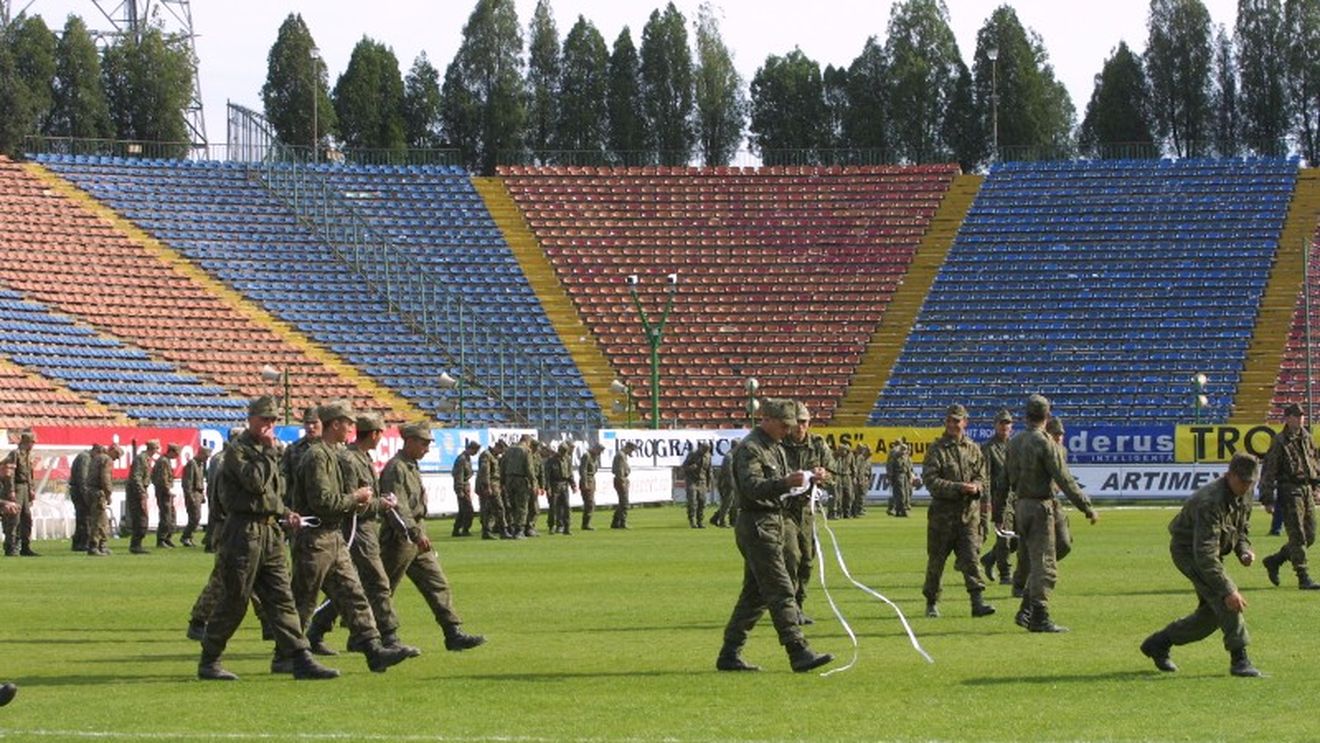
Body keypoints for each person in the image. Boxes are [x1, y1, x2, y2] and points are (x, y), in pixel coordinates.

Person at [197, 396, 339, 681]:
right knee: (234, 599)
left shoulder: (269, 452)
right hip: (243, 534)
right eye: (264, 419)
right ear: (250, 420)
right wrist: (267, 453)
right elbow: (255, 482)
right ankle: (209, 659)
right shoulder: (239, 452)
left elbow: (272, 495)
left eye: (273, 420)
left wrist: (286, 513)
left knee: (282, 598)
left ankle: (298, 657)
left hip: (270, 532)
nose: (269, 425)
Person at [716, 398, 833, 674]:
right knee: (781, 588)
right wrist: (783, 483)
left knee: (755, 596)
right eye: (784, 425)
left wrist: (807, 480)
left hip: (774, 522)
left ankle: (729, 653)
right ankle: (798, 651)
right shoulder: (751, 449)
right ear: (766, 420)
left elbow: (784, 486)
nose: (788, 430)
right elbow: (752, 486)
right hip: (757, 524)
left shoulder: (775, 446)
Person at [1140, 452, 1263, 677]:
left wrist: (1244, 550)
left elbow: (1241, 527)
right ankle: (1240, 659)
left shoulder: (1246, 493)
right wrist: (1228, 589)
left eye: (1250, 482)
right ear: (1229, 475)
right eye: (1242, 481)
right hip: (1190, 552)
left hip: (1210, 552)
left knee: (1211, 615)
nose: (1246, 486)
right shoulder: (1210, 501)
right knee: (1226, 600)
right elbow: (1204, 553)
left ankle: (1159, 643)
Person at [305, 412, 418, 658]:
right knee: (376, 582)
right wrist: (381, 504)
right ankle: (388, 636)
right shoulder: (350, 460)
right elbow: (352, 501)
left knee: (348, 587)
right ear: (375, 434)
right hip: (356, 529)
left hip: (364, 528)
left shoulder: (361, 458)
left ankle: (319, 630)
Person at [379, 421, 486, 652]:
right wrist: (415, 533)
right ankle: (338, 630)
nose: (427, 448)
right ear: (409, 441)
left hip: (415, 538)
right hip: (399, 539)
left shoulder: (410, 466)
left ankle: (452, 632)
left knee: (436, 583)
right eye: (424, 443)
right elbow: (398, 507)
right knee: (380, 589)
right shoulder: (396, 468)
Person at [1005, 395, 1098, 633]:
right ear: (1047, 416)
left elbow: (1002, 480)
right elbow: (1064, 478)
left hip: (1021, 505)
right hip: (1040, 506)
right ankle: (1039, 616)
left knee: (1051, 552)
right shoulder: (1045, 443)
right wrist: (1086, 506)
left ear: (1026, 415)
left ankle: (1027, 608)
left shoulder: (1014, 442)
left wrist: (998, 511)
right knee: (1045, 565)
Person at [921, 404, 994, 619]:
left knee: (971, 559)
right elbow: (931, 480)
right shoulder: (937, 449)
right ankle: (932, 602)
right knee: (937, 561)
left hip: (968, 515)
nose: (952, 424)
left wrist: (977, 487)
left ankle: (977, 602)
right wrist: (958, 487)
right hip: (942, 517)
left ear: (965, 422)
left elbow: (982, 476)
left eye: (957, 420)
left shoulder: (973, 448)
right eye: (949, 421)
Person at [780, 401, 833, 625]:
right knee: (791, 556)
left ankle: (799, 603)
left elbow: (833, 473)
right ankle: (790, 607)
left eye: (804, 422)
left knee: (807, 560)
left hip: (807, 510)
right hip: (784, 509)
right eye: (797, 422)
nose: (800, 427)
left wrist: (824, 475)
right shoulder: (779, 445)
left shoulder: (818, 445)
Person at [1260, 402, 1320, 590]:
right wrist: (1267, 498)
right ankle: (1303, 576)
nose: (1301, 418)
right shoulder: (1280, 441)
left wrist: (1316, 485)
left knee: (1310, 535)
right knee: (1297, 535)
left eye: (1302, 415)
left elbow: (1313, 461)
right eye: (1296, 415)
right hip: (1289, 489)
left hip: (1306, 489)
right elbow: (1269, 470)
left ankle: (1275, 560)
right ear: (1288, 418)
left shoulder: (1306, 437)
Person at [980, 410, 1015, 583]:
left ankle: (990, 558)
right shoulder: (988, 448)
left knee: (1018, 535)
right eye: (1001, 423)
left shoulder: (1015, 445)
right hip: (998, 497)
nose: (1004, 426)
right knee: (1004, 536)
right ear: (995, 425)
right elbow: (984, 475)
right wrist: (986, 500)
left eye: (1007, 423)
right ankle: (1005, 573)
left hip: (1016, 497)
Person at [281, 406, 322, 509]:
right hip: (299, 508)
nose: (310, 427)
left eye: (314, 422)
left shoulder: (332, 448)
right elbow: (285, 481)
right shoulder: (293, 449)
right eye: (307, 423)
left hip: (325, 509)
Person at [85, 444, 119, 556]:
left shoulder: (97, 458)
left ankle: (101, 545)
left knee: (100, 520)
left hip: (90, 491)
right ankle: (94, 546)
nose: (116, 458)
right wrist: (108, 494)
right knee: (99, 521)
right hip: (98, 493)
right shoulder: (106, 459)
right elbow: (105, 478)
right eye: (116, 455)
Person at [126, 439, 158, 554]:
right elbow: (136, 476)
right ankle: (136, 545)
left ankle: (137, 544)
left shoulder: (145, 459)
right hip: (136, 492)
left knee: (142, 518)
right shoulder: (141, 459)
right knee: (140, 517)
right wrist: (141, 492)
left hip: (140, 490)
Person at [499, 435, 535, 540]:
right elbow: (529, 468)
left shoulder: (509, 450)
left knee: (512, 506)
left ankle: (513, 528)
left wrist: (502, 481)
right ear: (527, 441)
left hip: (509, 479)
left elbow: (503, 465)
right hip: (521, 480)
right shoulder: (526, 451)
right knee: (522, 506)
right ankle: (519, 530)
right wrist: (533, 482)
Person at [476, 440, 508, 539]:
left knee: (490, 509)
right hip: (490, 485)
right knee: (496, 508)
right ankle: (501, 530)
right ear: (498, 447)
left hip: (494, 485)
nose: (501, 453)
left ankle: (489, 530)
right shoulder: (487, 455)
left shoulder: (493, 456)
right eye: (501, 450)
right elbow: (485, 472)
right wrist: (487, 486)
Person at [153, 443, 181, 548]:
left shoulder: (165, 461)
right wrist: (167, 490)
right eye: (176, 454)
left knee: (171, 515)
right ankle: (161, 539)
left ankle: (167, 537)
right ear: (171, 451)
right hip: (163, 492)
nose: (177, 456)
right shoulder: (163, 461)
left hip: (165, 491)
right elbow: (163, 478)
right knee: (166, 516)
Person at [68, 444, 96, 552]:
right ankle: (82, 543)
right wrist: (86, 495)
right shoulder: (85, 458)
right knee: (84, 518)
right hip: (79, 491)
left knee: (82, 518)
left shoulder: (84, 456)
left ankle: (79, 543)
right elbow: (82, 478)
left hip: (78, 490)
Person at [180, 447, 210, 547]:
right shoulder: (191, 464)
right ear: (200, 453)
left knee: (196, 517)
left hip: (198, 493)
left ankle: (188, 537)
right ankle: (185, 536)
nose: (206, 459)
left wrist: (202, 495)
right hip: (193, 493)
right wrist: (190, 496)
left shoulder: (200, 464)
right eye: (205, 456)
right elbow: (187, 483)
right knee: (195, 517)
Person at [546, 441, 576, 535]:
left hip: (564, 484)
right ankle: (552, 526)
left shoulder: (567, 459)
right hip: (554, 484)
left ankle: (566, 527)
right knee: (553, 507)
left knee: (566, 507)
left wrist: (573, 485)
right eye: (562, 451)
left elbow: (570, 473)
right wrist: (548, 488)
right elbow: (547, 476)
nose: (563, 453)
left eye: (565, 451)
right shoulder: (551, 460)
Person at [681, 442, 713, 529]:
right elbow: (684, 466)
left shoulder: (708, 456)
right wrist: (690, 468)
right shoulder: (692, 454)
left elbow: (709, 472)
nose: (704, 452)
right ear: (700, 448)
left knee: (702, 501)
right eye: (703, 449)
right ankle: (692, 521)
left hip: (702, 481)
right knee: (692, 501)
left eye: (706, 450)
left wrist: (709, 484)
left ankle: (700, 521)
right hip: (691, 480)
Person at [451, 440, 479, 538]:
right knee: (468, 510)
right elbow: (459, 475)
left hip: (465, 486)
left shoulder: (466, 458)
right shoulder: (462, 459)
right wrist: (460, 490)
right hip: (462, 487)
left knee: (463, 511)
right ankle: (465, 529)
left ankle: (457, 529)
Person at [710, 441, 740, 528]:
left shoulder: (735, 456)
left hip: (733, 483)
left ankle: (731, 521)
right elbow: (728, 473)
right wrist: (732, 484)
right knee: (727, 503)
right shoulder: (729, 457)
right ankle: (722, 522)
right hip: (727, 484)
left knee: (734, 503)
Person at [886, 439, 918, 518]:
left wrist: (910, 476)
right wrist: (890, 477)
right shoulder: (895, 457)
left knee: (905, 493)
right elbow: (890, 467)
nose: (905, 451)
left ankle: (899, 510)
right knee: (900, 494)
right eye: (903, 450)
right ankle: (901, 510)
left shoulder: (905, 457)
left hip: (904, 476)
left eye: (905, 450)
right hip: (898, 476)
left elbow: (907, 468)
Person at [579, 443, 603, 531]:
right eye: (599, 451)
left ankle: (586, 523)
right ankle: (586, 524)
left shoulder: (595, 457)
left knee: (591, 503)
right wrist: (585, 483)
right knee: (590, 503)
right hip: (587, 481)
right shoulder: (586, 456)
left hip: (592, 480)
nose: (600, 453)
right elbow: (583, 470)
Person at [611, 442, 636, 529]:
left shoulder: (622, 455)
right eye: (631, 450)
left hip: (622, 480)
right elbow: (620, 470)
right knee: (625, 503)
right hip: (621, 480)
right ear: (628, 448)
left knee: (622, 503)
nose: (631, 452)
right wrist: (622, 481)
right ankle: (622, 522)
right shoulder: (621, 456)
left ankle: (615, 522)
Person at [829, 444, 852, 520]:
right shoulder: (832, 456)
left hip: (838, 476)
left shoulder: (840, 457)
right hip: (832, 476)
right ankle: (832, 513)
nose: (845, 453)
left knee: (839, 496)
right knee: (834, 495)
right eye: (844, 451)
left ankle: (838, 513)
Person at [851, 444, 871, 517]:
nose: (863, 451)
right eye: (861, 449)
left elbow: (863, 469)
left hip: (861, 478)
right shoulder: (853, 456)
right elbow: (854, 469)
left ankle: (858, 510)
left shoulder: (862, 458)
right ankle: (853, 511)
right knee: (854, 495)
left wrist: (865, 478)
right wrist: (854, 477)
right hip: (854, 478)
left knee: (860, 495)